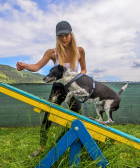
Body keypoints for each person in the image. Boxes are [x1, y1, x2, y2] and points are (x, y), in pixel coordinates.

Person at [16, 21, 87, 156]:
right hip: (58, 88)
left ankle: (80, 146)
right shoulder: (52, 53)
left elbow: (83, 69)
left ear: (71, 35)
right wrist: (25, 65)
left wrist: (79, 78)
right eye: (61, 36)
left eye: (66, 35)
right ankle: (41, 148)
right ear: (57, 37)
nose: (64, 39)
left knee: (78, 119)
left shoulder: (80, 51)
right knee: (47, 118)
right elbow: (37, 67)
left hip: (73, 88)